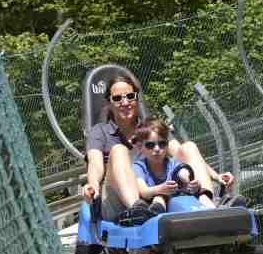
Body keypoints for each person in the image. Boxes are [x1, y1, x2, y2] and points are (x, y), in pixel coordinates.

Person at [82, 74, 242, 226]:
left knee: (189, 146)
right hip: (119, 200)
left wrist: (216, 176)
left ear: (136, 98)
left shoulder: (150, 129)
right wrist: (93, 186)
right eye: (117, 99)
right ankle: (138, 209)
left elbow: (183, 152)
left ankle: (208, 201)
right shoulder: (100, 132)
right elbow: (95, 165)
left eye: (130, 96)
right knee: (118, 150)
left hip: (158, 195)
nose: (125, 102)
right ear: (109, 103)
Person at [131, 117, 196, 216]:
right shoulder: (139, 167)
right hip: (150, 206)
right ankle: (156, 211)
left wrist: (190, 182)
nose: (157, 149)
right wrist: (161, 189)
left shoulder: (172, 163)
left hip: (177, 206)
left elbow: (182, 172)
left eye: (162, 144)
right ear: (140, 147)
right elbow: (144, 191)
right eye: (150, 145)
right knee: (159, 197)